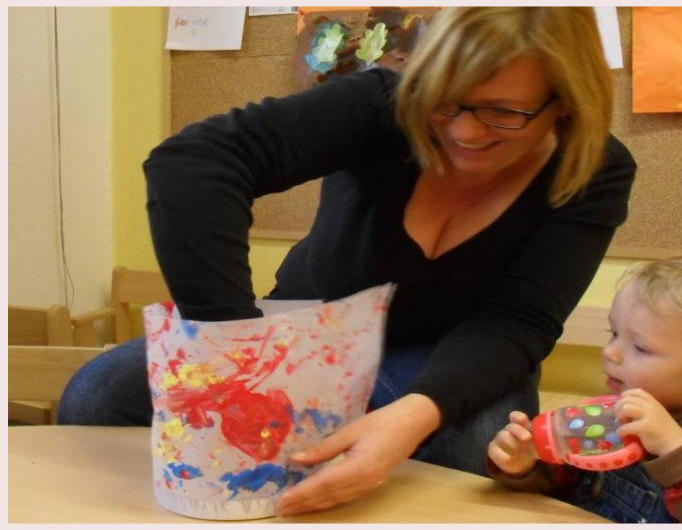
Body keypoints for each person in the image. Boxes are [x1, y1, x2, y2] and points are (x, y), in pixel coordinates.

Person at [58, 7, 637, 515]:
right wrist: (233, 345)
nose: (463, 130)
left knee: (477, 450)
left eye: (501, 112)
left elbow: (517, 320)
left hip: (454, 355)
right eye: (444, 100)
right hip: (308, 326)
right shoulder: (382, 102)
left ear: (565, 103)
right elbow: (194, 163)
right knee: (100, 392)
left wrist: (412, 418)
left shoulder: (595, 171)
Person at [487, 250, 682, 523]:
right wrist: (527, 466)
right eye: (614, 333)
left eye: (641, 348)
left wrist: (675, 450)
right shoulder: (609, 416)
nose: (610, 352)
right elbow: (567, 486)